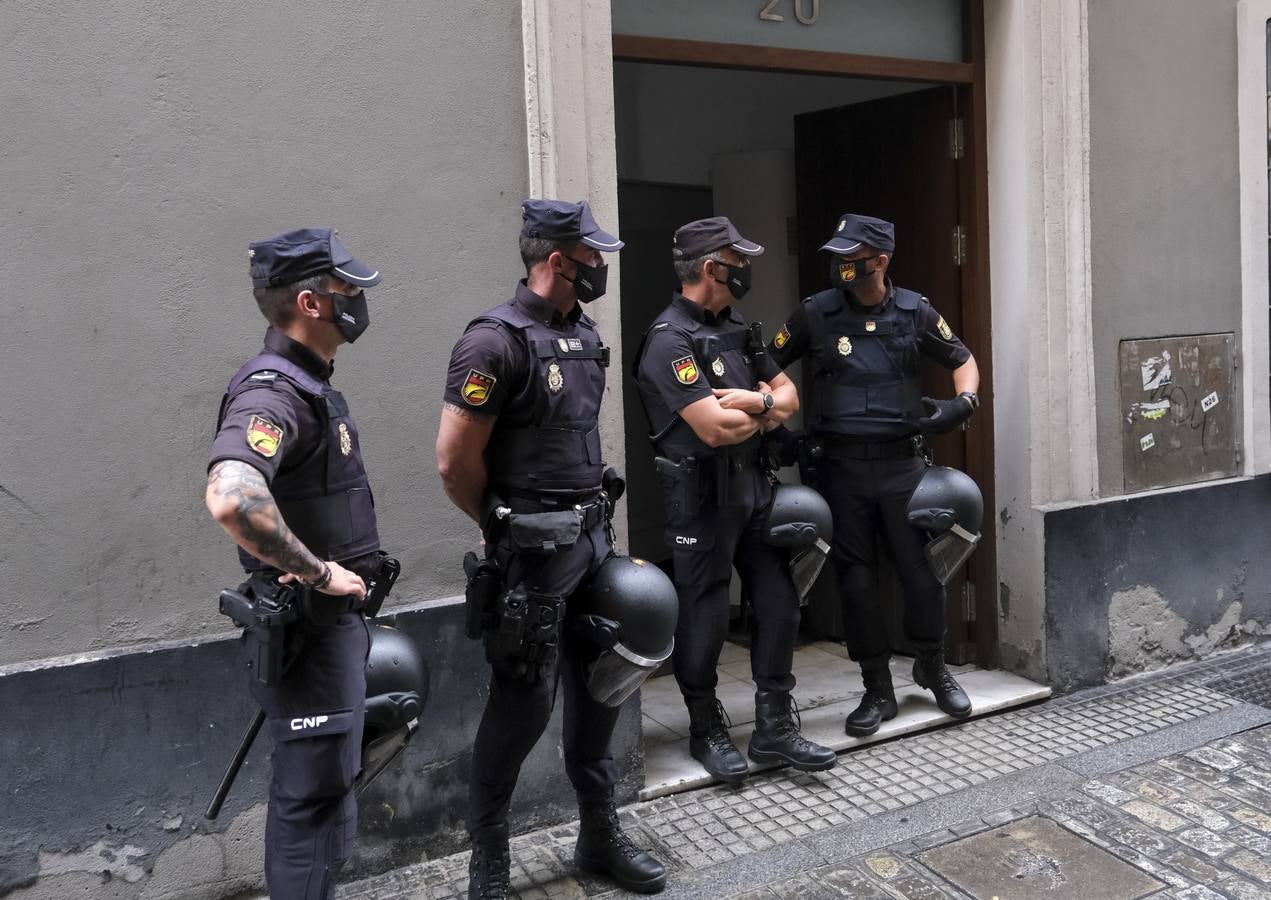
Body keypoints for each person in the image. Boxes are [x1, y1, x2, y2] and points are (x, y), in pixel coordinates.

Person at [436, 200, 666, 898]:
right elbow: (453, 460)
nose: (601, 264)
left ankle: (598, 840)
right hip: (532, 557)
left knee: (599, 695)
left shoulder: (581, 332)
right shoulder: (492, 342)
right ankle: (489, 860)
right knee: (521, 707)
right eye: (592, 254)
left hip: (591, 542)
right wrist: (497, 522)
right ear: (558, 260)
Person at [205, 227, 384, 899]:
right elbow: (231, 497)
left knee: (328, 794)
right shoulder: (271, 391)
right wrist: (318, 572)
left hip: (329, 633)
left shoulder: (311, 386)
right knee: (309, 805)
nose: (358, 300)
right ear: (310, 302)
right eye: (346, 290)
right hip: (308, 635)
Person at [633, 216, 837, 786]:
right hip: (700, 497)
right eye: (737, 260)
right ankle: (706, 728)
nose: (746, 269)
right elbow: (712, 429)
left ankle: (774, 727)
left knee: (778, 602)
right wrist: (764, 408)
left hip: (755, 488)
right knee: (705, 613)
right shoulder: (668, 341)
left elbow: (789, 396)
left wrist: (755, 398)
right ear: (709, 268)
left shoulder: (740, 328)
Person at [767, 213, 981, 737]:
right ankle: (876, 687)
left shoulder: (915, 311)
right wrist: (772, 426)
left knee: (922, 575)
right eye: (838, 256)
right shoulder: (815, 314)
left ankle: (931, 664)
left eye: (852, 256)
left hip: (903, 469)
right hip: (840, 472)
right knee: (856, 584)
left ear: (879, 260)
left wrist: (963, 404)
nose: (841, 264)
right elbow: (765, 364)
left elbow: (963, 358)